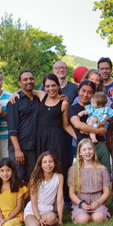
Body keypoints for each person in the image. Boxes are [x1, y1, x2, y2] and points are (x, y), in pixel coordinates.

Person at [35, 74, 77, 205]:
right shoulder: (41, 96)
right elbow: (25, 89)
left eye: (53, 85)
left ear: (58, 86)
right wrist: (14, 94)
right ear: (44, 87)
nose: (50, 88)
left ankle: (60, 201)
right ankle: (44, 201)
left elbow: (66, 125)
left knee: (58, 168)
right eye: (47, 86)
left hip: (57, 139)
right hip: (41, 139)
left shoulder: (64, 103)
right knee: (42, 168)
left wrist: (79, 138)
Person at [68, 81, 111, 172]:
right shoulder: (73, 108)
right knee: (85, 177)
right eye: (83, 91)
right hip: (84, 148)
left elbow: (110, 115)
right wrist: (98, 131)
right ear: (79, 91)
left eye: (89, 92)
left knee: (104, 175)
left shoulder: (97, 107)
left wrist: (103, 120)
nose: (85, 94)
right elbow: (78, 125)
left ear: (93, 94)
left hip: (100, 145)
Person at [6, 71, 41, 184]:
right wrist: (17, 150)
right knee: (17, 180)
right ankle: (17, 203)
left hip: (34, 148)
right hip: (19, 147)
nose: (28, 81)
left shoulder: (39, 100)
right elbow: (12, 128)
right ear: (20, 83)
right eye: (25, 80)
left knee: (32, 180)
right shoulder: (14, 102)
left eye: (31, 78)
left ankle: (29, 203)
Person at [69, 139, 112, 224]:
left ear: (94, 151)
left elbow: (106, 192)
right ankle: (81, 215)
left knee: (98, 218)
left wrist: (99, 202)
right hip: (81, 202)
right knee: (83, 220)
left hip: (98, 201)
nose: (87, 152)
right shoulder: (73, 170)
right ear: (79, 153)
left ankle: (100, 214)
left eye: (90, 149)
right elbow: (72, 193)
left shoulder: (102, 169)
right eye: (84, 150)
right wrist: (81, 203)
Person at [24, 152, 64, 226]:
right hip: (33, 210)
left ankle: (46, 221)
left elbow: (60, 200)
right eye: (45, 162)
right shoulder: (35, 180)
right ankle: (37, 222)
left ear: (55, 163)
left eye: (50, 161)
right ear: (41, 165)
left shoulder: (59, 177)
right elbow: (34, 203)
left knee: (52, 218)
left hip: (47, 210)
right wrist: (39, 219)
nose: (48, 164)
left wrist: (60, 220)